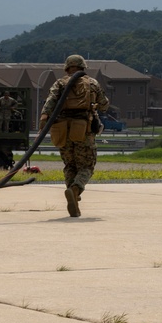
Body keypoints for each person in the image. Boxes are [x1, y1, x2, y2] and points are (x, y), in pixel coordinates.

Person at [38, 55, 109, 218]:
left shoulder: (59, 83)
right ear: (83, 67)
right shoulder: (92, 83)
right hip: (82, 129)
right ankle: (75, 189)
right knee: (86, 166)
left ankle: (73, 198)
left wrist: (43, 119)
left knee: (70, 164)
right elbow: (104, 104)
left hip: (62, 129)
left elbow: (49, 102)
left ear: (67, 68)